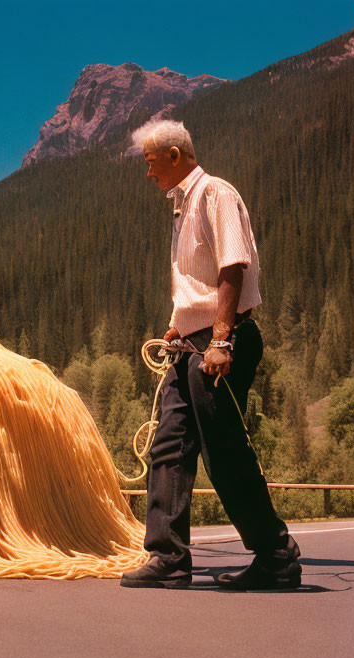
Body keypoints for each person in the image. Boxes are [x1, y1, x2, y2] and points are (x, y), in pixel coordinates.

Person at [120, 119, 301, 590]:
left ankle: (276, 556)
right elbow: (198, 282)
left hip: (220, 344)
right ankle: (168, 558)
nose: (148, 173)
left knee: (223, 450)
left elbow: (232, 265)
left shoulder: (216, 193)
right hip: (192, 343)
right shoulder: (182, 207)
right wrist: (181, 325)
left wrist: (219, 340)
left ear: (176, 155)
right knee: (168, 448)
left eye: (151, 163)